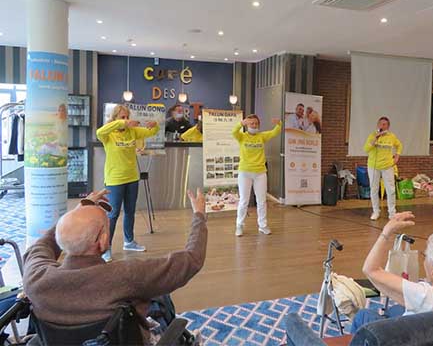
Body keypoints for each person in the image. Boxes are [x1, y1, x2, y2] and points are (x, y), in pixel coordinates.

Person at [22, 188, 207, 344]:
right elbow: (191, 260)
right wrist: (199, 216)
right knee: (160, 296)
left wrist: (77, 212)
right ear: (102, 240)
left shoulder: (35, 278)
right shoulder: (124, 275)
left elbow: (41, 245)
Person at [352, 212, 433, 333]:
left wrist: (386, 233)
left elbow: (370, 270)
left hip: (409, 338)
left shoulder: (425, 296)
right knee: (396, 310)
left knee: (363, 315)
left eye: (424, 256)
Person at [96, 104, 159, 261]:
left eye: (126, 117)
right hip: (114, 180)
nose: (125, 120)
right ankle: (106, 248)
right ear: (115, 118)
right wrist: (121, 124)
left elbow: (152, 132)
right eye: (121, 117)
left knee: (130, 211)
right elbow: (99, 132)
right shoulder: (108, 133)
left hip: (132, 178)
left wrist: (155, 125)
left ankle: (129, 241)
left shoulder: (133, 131)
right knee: (113, 214)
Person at [232, 114, 281, 236]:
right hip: (245, 172)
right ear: (247, 125)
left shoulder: (262, 136)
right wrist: (240, 124)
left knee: (261, 201)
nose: (254, 125)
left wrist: (279, 123)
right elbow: (233, 132)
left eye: (256, 123)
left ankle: (263, 225)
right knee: (244, 201)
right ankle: (239, 225)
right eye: (251, 123)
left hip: (260, 173)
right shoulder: (242, 137)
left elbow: (275, 132)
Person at [363, 117, 402, 220]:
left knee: (391, 190)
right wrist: (375, 138)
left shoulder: (391, 136)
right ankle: (376, 212)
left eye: (384, 124)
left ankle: (392, 213)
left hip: (387, 166)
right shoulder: (372, 135)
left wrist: (397, 156)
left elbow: (399, 145)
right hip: (373, 166)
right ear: (377, 125)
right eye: (380, 124)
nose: (382, 126)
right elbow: (366, 149)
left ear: (388, 126)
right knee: (374, 189)